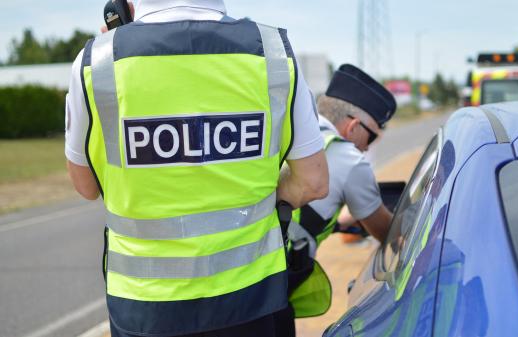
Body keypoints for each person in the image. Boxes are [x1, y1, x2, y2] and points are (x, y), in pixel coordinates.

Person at [64, 1, 329, 336]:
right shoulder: (275, 53)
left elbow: (86, 186)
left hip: (144, 310)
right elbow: (314, 182)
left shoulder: (96, 62)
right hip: (253, 300)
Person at [273, 64, 396, 337]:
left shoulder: (286, 130)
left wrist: (340, 223)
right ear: (353, 125)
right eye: (372, 136)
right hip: (274, 285)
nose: (367, 147)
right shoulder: (350, 160)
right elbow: (386, 232)